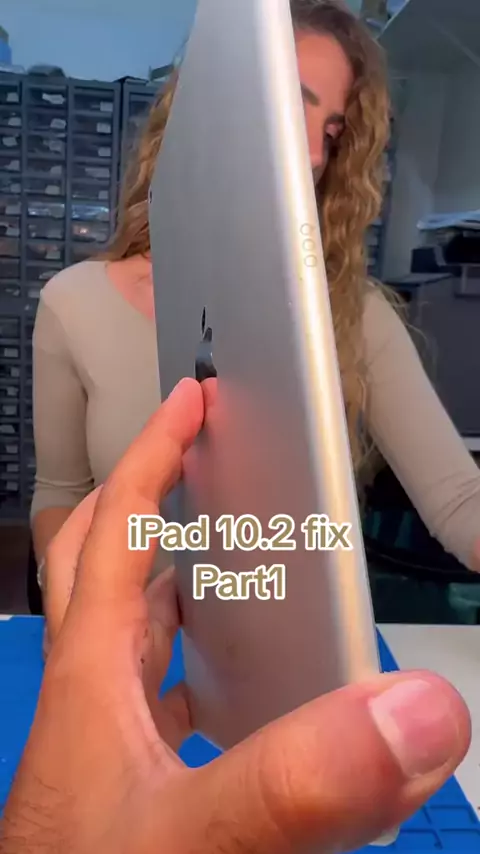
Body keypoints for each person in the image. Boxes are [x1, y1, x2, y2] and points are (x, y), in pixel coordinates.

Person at [32, 0, 480, 606]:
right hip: (128, 641)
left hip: (288, 641)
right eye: (290, 104)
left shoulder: (353, 314)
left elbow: (460, 499)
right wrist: (68, 605)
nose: (315, 155)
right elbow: (59, 495)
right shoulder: (75, 304)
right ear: (203, 110)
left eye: (332, 133)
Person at [2, 379, 471, 853]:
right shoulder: (71, 318)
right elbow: (57, 490)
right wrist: (63, 590)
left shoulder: (363, 329)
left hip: (274, 645)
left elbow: (459, 498)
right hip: (166, 647)